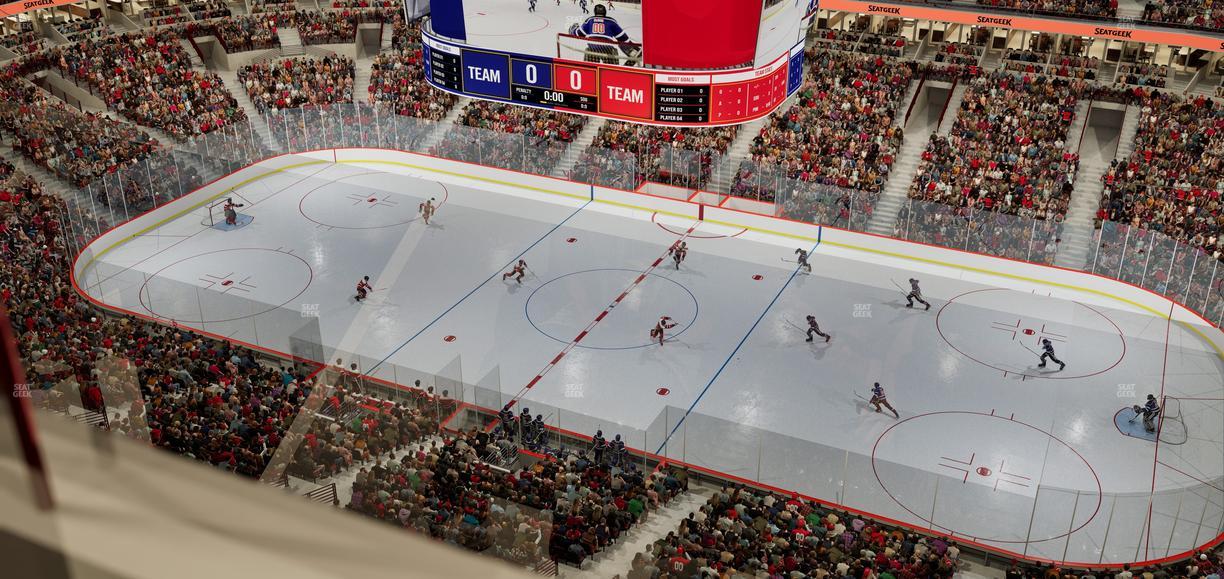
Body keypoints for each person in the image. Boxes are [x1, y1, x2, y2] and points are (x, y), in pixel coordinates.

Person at [569, 4, 636, 65]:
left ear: (595, 12)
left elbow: (578, 34)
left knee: (588, 51)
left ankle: (590, 72)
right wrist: (633, 46)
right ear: (605, 12)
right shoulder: (611, 22)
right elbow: (624, 38)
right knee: (615, 57)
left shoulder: (590, 20)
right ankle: (616, 71)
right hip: (608, 50)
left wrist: (573, 29)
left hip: (592, 49)